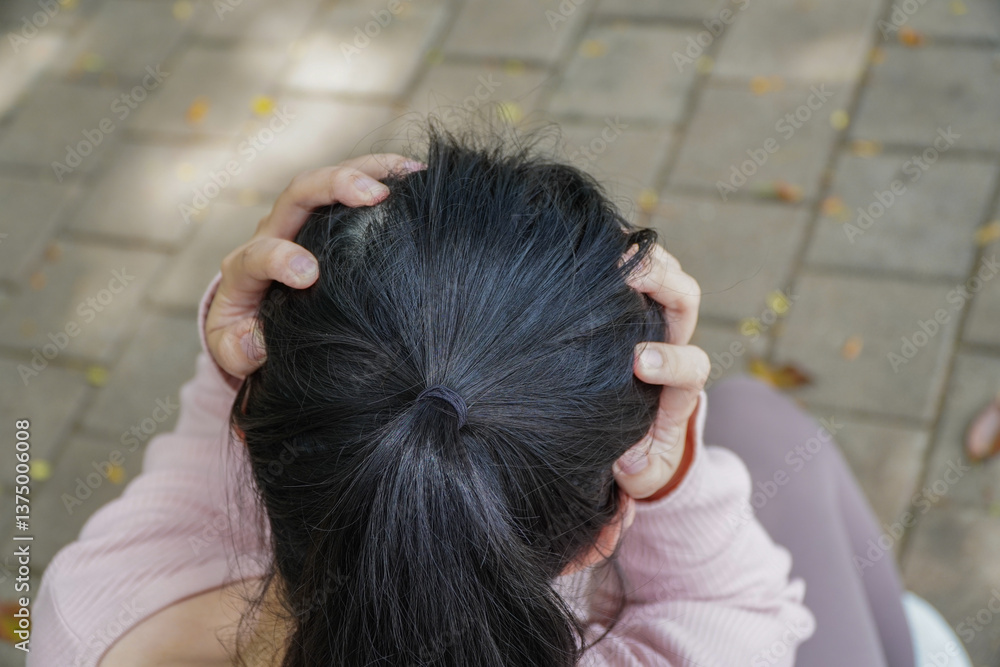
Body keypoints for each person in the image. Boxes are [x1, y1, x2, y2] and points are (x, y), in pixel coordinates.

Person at [29, 128, 948, 666]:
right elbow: (748, 614)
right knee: (765, 425)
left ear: (261, 444)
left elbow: (216, 451)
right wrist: (675, 474)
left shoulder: (95, 619)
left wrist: (234, 339)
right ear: (602, 532)